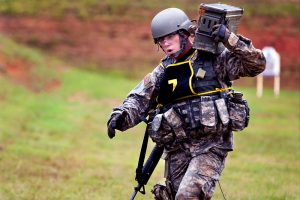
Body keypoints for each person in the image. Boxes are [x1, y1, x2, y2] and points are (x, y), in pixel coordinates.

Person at [107, 7, 266, 200]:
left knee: (187, 196)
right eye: (161, 40)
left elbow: (256, 64)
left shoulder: (214, 60)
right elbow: (140, 98)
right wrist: (121, 116)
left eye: (170, 37)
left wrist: (229, 39)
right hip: (177, 148)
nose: (166, 44)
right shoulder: (164, 70)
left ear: (184, 34)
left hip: (210, 146)